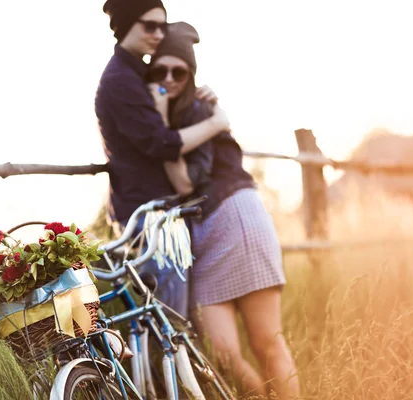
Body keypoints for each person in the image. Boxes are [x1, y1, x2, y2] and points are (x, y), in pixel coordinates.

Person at [147, 21, 301, 399]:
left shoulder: (199, 110)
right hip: (203, 235)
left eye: (178, 70)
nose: (169, 78)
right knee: (222, 354)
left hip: (236, 219)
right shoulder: (171, 111)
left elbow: (184, 182)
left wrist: (162, 121)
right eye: (160, 70)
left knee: (267, 342)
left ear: (191, 72)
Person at [95, 0, 229, 318]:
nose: (158, 34)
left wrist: (200, 93)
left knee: (169, 322)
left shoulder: (139, 71)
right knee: (169, 321)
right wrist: (216, 123)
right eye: (149, 25)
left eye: (163, 26)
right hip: (144, 216)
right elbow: (163, 143)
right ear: (127, 25)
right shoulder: (120, 80)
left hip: (159, 214)